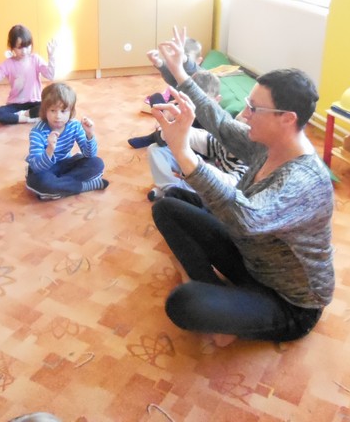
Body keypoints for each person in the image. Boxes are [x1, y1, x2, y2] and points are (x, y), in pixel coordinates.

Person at [149, 27, 334, 345]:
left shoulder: (305, 180)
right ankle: (221, 300)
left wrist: (183, 153)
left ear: (287, 119)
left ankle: (222, 307)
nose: (245, 114)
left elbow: (245, 218)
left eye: (254, 108)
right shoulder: (267, 143)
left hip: (290, 303)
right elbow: (220, 123)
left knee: (184, 303)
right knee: (167, 206)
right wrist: (179, 72)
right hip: (250, 259)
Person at [146, 71, 247, 203]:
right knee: (155, 149)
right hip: (196, 161)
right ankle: (171, 188)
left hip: (213, 182)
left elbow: (229, 185)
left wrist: (196, 163)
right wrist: (167, 128)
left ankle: (178, 193)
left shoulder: (247, 164)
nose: (198, 107)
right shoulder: (225, 139)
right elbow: (201, 138)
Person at [25, 83, 108, 201]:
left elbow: (90, 155)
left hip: (66, 164)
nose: (58, 116)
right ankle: (84, 186)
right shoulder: (37, 132)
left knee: (97, 163)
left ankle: (56, 190)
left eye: (63, 111)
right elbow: (37, 167)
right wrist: (49, 149)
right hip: (44, 170)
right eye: (53, 110)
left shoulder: (74, 125)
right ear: (44, 110)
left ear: (71, 111)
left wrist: (89, 134)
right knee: (40, 181)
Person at [128, 38, 203, 149]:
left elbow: (191, 69)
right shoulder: (179, 73)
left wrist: (173, 109)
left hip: (189, 119)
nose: (179, 62)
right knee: (156, 98)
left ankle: (156, 137)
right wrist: (158, 63)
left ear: (198, 61)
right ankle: (163, 132)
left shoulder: (200, 75)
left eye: (183, 59)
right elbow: (171, 78)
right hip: (173, 113)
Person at [0, 24, 57, 125]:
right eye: (19, 47)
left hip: (35, 103)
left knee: (53, 105)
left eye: (27, 46)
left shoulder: (35, 59)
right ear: (12, 47)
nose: (24, 51)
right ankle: (27, 118)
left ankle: (21, 116)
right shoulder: (8, 63)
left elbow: (50, 75)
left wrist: (51, 56)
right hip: (16, 105)